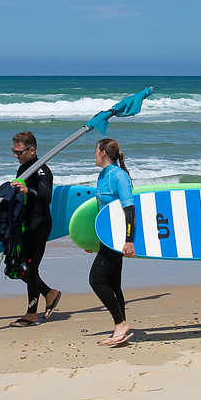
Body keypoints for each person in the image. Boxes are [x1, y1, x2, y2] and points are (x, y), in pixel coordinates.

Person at [7, 131, 61, 326]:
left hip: (39, 224)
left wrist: (27, 190)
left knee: (30, 268)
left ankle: (31, 314)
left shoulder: (42, 171)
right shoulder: (23, 169)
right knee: (16, 268)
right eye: (13, 151)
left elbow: (46, 196)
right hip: (25, 223)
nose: (16, 155)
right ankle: (49, 293)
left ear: (32, 150)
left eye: (19, 152)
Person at [90, 137, 136, 347]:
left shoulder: (119, 176)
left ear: (103, 153)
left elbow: (129, 210)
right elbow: (102, 213)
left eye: (96, 150)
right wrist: (92, 240)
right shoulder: (103, 175)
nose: (94, 154)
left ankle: (120, 323)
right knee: (112, 283)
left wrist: (129, 241)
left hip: (118, 239)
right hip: (107, 238)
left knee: (96, 279)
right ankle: (121, 329)